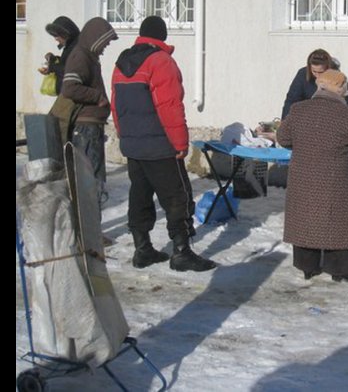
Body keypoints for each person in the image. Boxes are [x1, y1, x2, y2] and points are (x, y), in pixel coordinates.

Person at [111, 16, 216, 272]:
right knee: (177, 196)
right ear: (163, 35)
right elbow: (169, 107)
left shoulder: (122, 62)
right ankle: (182, 251)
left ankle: (142, 248)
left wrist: (124, 135)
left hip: (134, 145)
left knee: (140, 195)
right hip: (159, 145)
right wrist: (180, 143)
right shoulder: (161, 61)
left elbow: (116, 106)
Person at [276, 69, 348, 282]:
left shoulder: (298, 109)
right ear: (341, 90)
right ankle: (340, 270)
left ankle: (307, 266)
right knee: (336, 223)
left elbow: (283, 138)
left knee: (306, 220)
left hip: (301, 180)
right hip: (333, 181)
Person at [60, 17, 118, 205]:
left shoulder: (88, 57)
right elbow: (70, 88)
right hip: (86, 129)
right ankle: (88, 230)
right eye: (105, 43)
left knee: (93, 182)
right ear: (96, 39)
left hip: (91, 127)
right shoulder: (81, 56)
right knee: (89, 182)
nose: (105, 48)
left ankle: (91, 228)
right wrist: (97, 97)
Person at [281, 48, 348, 119]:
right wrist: (285, 122)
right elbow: (291, 100)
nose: (317, 76)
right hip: (306, 118)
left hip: (331, 118)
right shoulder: (302, 74)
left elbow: (347, 103)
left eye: (321, 72)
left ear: (328, 68)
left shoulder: (337, 77)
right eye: (314, 71)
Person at [38, 16, 81, 96]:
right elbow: (67, 63)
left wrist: (51, 67)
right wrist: (54, 59)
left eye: (57, 35)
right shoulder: (71, 45)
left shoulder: (77, 47)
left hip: (73, 95)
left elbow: (71, 71)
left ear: (66, 34)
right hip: (67, 93)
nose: (55, 39)